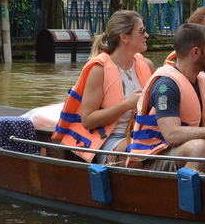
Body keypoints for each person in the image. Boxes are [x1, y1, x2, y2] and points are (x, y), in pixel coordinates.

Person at [127, 23, 205, 173]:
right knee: (198, 147)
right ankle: (189, 195)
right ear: (195, 52)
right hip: (156, 155)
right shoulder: (166, 85)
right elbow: (172, 135)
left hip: (190, 149)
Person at [55, 10, 153, 162]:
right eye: (142, 31)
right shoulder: (99, 69)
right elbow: (87, 120)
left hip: (144, 135)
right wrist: (127, 105)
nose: (146, 35)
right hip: (109, 140)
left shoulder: (146, 65)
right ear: (124, 37)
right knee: (136, 152)